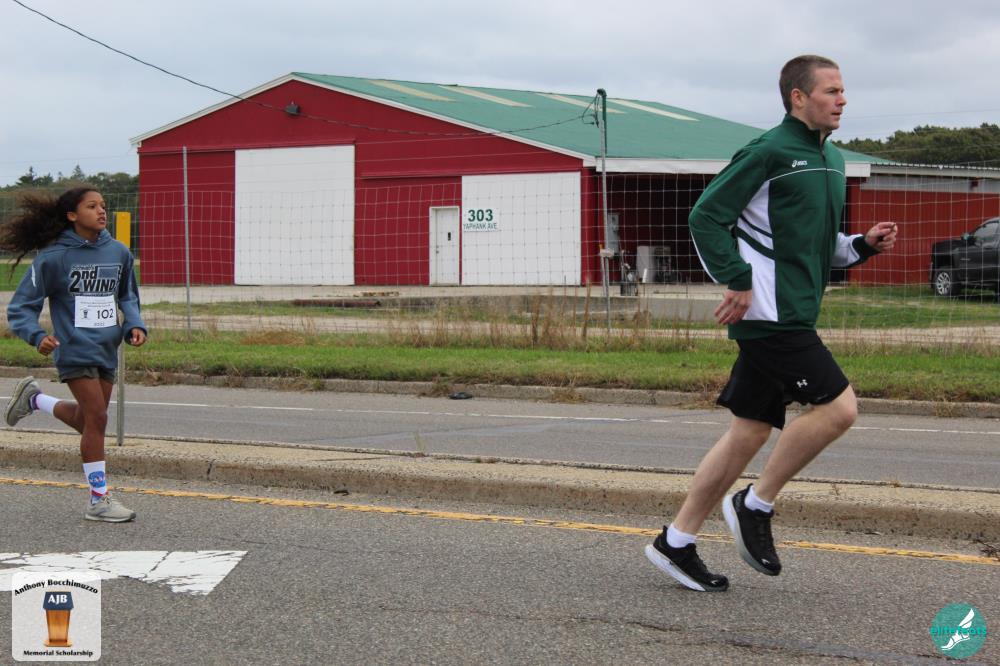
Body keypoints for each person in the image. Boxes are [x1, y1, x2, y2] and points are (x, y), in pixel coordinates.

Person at [644, 55, 898, 591]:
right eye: (831, 91)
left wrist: (862, 244)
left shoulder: (831, 160)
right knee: (838, 409)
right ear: (798, 97)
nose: (842, 100)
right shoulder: (768, 152)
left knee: (750, 431)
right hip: (769, 315)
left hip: (794, 310)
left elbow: (812, 244)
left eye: (843, 91)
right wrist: (737, 277)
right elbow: (705, 216)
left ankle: (676, 542)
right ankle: (755, 505)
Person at [3, 187, 147, 523]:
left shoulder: (118, 252)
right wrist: (37, 336)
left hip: (107, 348)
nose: (101, 211)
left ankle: (35, 399)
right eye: (92, 206)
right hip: (73, 348)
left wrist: (134, 324)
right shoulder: (54, 258)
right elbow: (21, 307)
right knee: (97, 418)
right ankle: (99, 499)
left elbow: (128, 296)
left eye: (103, 205)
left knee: (89, 420)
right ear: (72, 215)